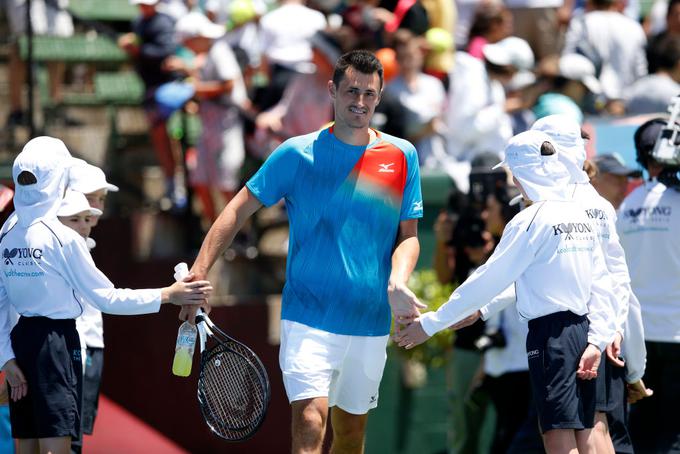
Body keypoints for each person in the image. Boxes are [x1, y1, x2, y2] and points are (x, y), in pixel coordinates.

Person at [183, 50, 424, 453]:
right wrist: (199, 270)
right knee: (311, 421)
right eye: (351, 91)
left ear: (379, 97)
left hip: (369, 320)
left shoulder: (403, 156)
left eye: (369, 93)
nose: (359, 102)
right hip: (308, 317)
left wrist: (398, 280)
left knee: (350, 436)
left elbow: (409, 236)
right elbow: (236, 210)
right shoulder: (296, 153)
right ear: (332, 90)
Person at [394, 129, 617, 454]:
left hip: (550, 338)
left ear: (523, 171)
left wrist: (430, 324)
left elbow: (488, 278)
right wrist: (597, 339)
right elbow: (601, 281)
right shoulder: (578, 215)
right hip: (583, 332)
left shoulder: (529, 221)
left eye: (513, 173)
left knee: (557, 434)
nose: (513, 182)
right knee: (584, 433)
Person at [0, 136, 212, 454]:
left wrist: (8, 358)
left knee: (26, 445)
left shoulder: (7, 231)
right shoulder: (62, 238)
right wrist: (170, 294)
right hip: (56, 344)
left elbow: (1, 302)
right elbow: (106, 298)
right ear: (58, 179)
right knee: (62, 445)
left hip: (21, 344)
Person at [531, 115, 650, 454]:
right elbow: (619, 285)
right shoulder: (598, 206)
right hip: (604, 334)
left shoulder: (550, 207)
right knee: (596, 430)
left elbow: (615, 283)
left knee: (584, 431)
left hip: (572, 335)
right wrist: (633, 363)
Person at [620, 117, 680, 453]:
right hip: (675, 332)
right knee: (673, 433)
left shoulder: (628, 204)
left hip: (638, 336)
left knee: (643, 430)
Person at [165, 12, 249, 223]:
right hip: (209, 124)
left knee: (225, 182)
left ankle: (239, 233)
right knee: (200, 178)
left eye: (188, 41)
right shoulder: (206, 55)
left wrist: (196, 90)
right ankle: (213, 230)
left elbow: (228, 85)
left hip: (227, 123)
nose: (186, 46)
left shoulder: (219, 51)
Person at [66, 163, 120, 453]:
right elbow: (107, 298)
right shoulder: (66, 245)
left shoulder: (84, 244)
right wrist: (168, 295)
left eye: (101, 199)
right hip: (77, 348)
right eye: (91, 198)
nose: (98, 207)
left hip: (89, 345)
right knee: (68, 438)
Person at [118, 0, 185, 210]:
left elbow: (166, 52)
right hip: (151, 91)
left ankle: (179, 186)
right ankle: (171, 186)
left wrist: (138, 49)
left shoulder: (164, 22)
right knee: (159, 138)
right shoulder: (139, 22)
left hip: (170, 91)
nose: (144, 7)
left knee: (173, 137)